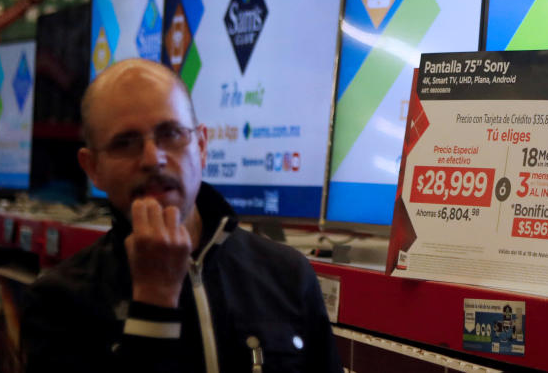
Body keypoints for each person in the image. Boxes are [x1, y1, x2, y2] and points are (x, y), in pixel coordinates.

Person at [22, 59, 341, 372]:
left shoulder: (288, 275)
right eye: (125, 142)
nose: (152, 158)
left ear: (201, 146)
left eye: (171, 134)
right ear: (93, 168)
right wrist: (153, 303)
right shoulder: (57, 303)